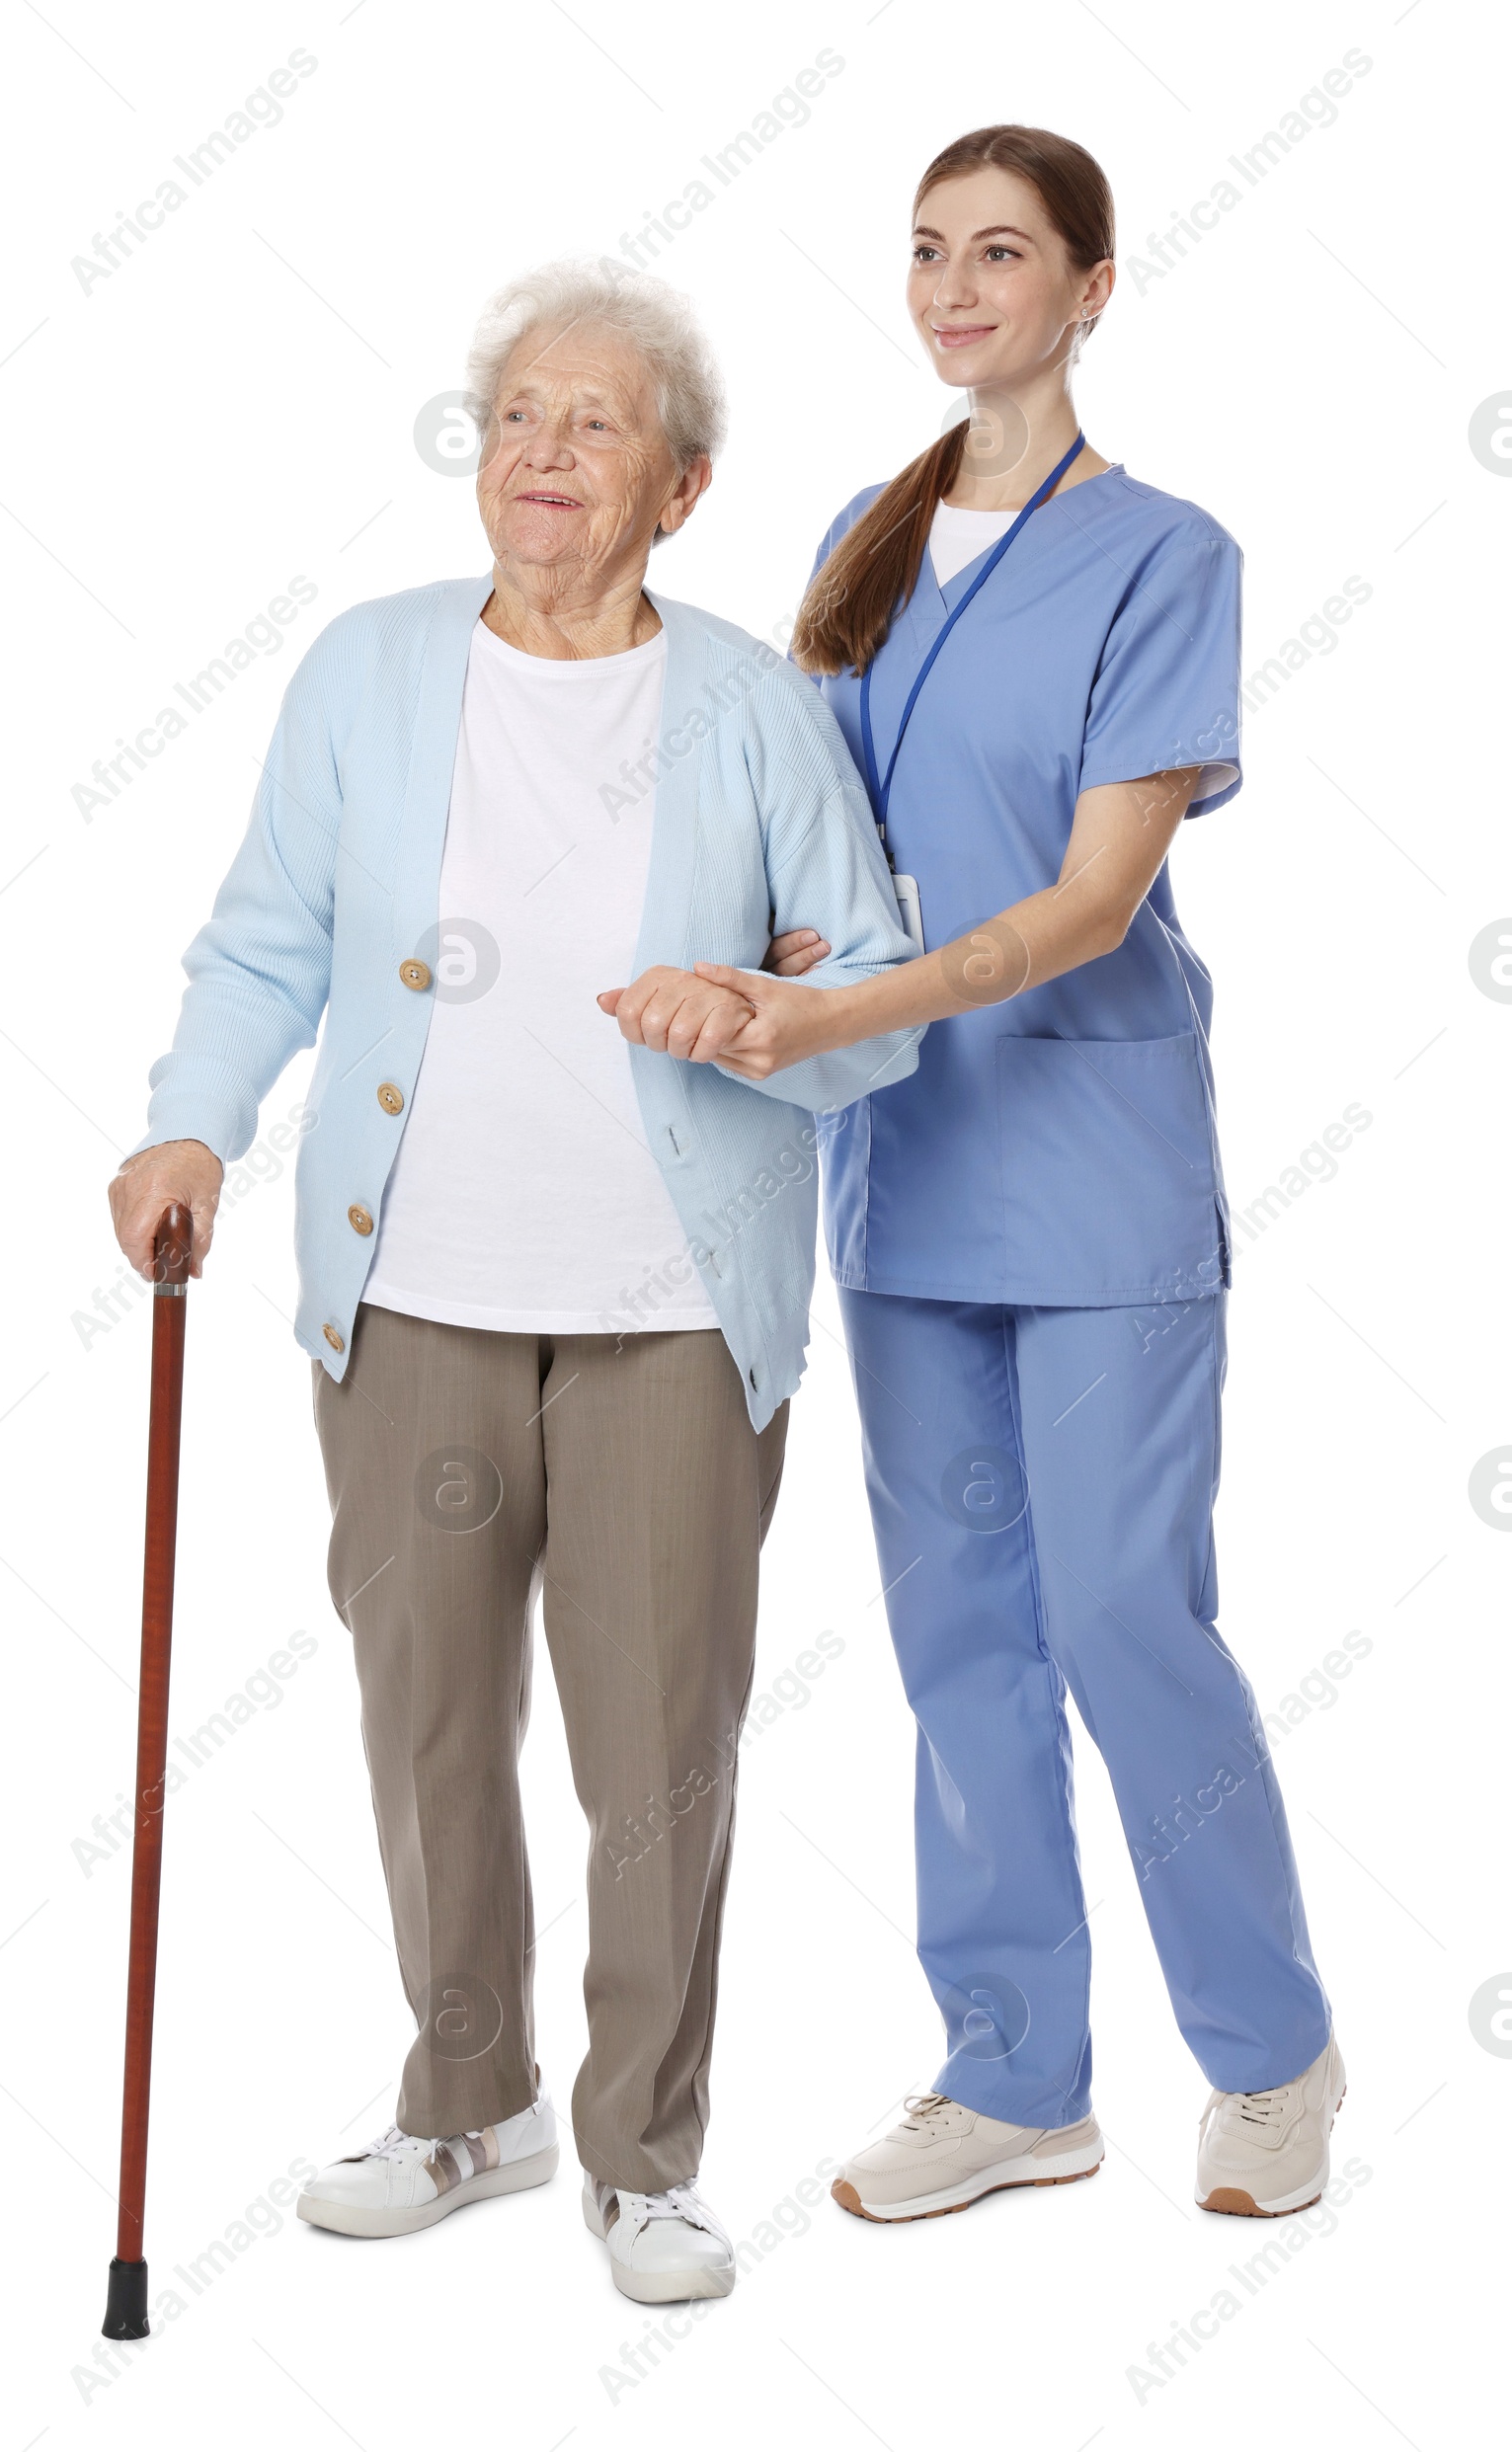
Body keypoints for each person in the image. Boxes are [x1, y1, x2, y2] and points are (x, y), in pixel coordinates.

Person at [107, 259, 919, 2302]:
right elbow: (266, 939)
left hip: (667, 1306)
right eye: (518, 418)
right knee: (427, 1722)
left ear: (684, 485)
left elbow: (880, 1001)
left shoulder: (747, 707)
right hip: (409, 1297)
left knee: (655, 1755)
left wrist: (754, 1007)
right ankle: (468, 2109)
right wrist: (194, 1120)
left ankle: (642, 2157)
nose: (543, 455)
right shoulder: (367, 673)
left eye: (596, 426)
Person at [608, 126, 1342, 2226]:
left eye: (998, 253)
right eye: (925, 250)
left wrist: (834, 1013)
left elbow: (1096, 903)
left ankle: (1269, 2055)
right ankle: (1012, 2074)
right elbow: (809, 864)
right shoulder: (862, 529)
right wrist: (738, 980)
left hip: (1090, 1154)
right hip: (903, 1174)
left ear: (1090, 286)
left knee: (1121, 1613)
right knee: (956, 1638)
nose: (950, 288)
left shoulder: (1163, 554)